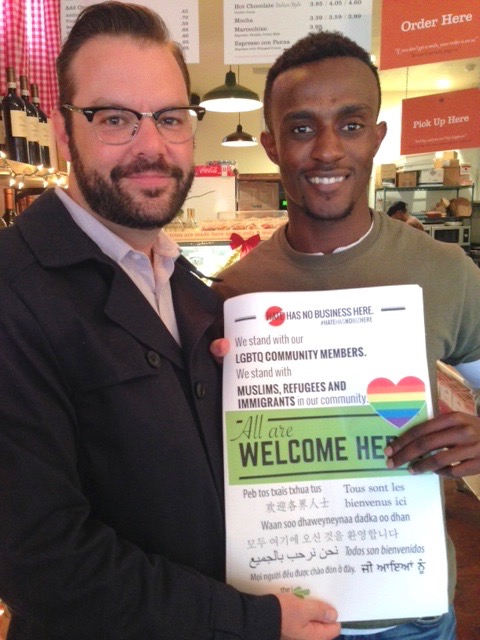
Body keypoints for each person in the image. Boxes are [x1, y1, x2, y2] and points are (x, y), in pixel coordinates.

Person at [0, 5, 341, 639]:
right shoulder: (14, 294)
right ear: (62, 131)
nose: (151, 145)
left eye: (169, 117)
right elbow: (42, 563)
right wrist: (254, 622)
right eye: (114, 119)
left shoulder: (189, 292)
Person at [213, 30, 480, 639]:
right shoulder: (232, 295)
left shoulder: (448, 274)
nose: (328, 150)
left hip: (408, 613)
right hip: (273, 613)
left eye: (352, 124)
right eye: (303, 128)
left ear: (378, 137)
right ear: (272, 145)